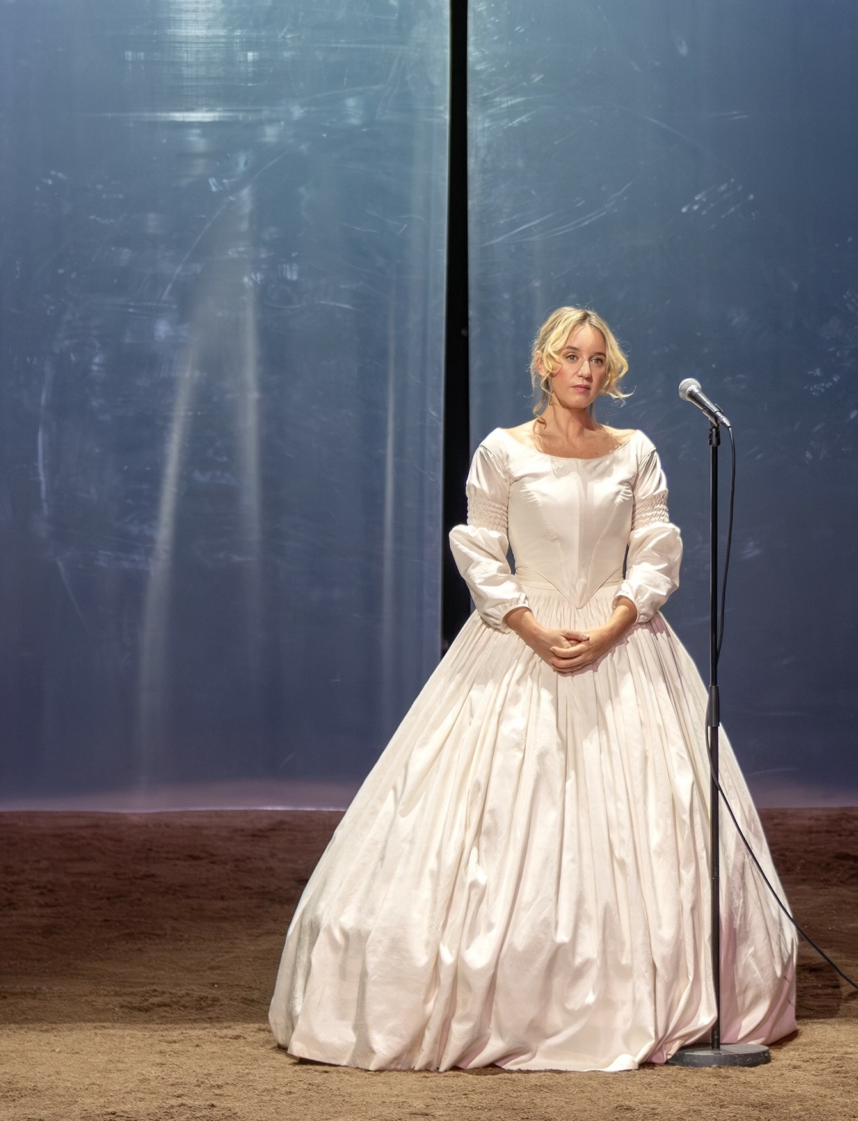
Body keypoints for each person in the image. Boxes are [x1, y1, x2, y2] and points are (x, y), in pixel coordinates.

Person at [270, 306, 797, 1071]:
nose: (585, 370)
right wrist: (530, 627)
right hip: (521, 639)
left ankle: (656, 993)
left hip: (623, 640)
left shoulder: (636, 451)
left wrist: (613, 626)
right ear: (545, 363)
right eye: (571, 356)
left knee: (663, 819)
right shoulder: (503, 451)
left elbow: (655, 551)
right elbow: (482, 552)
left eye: (597, 359)